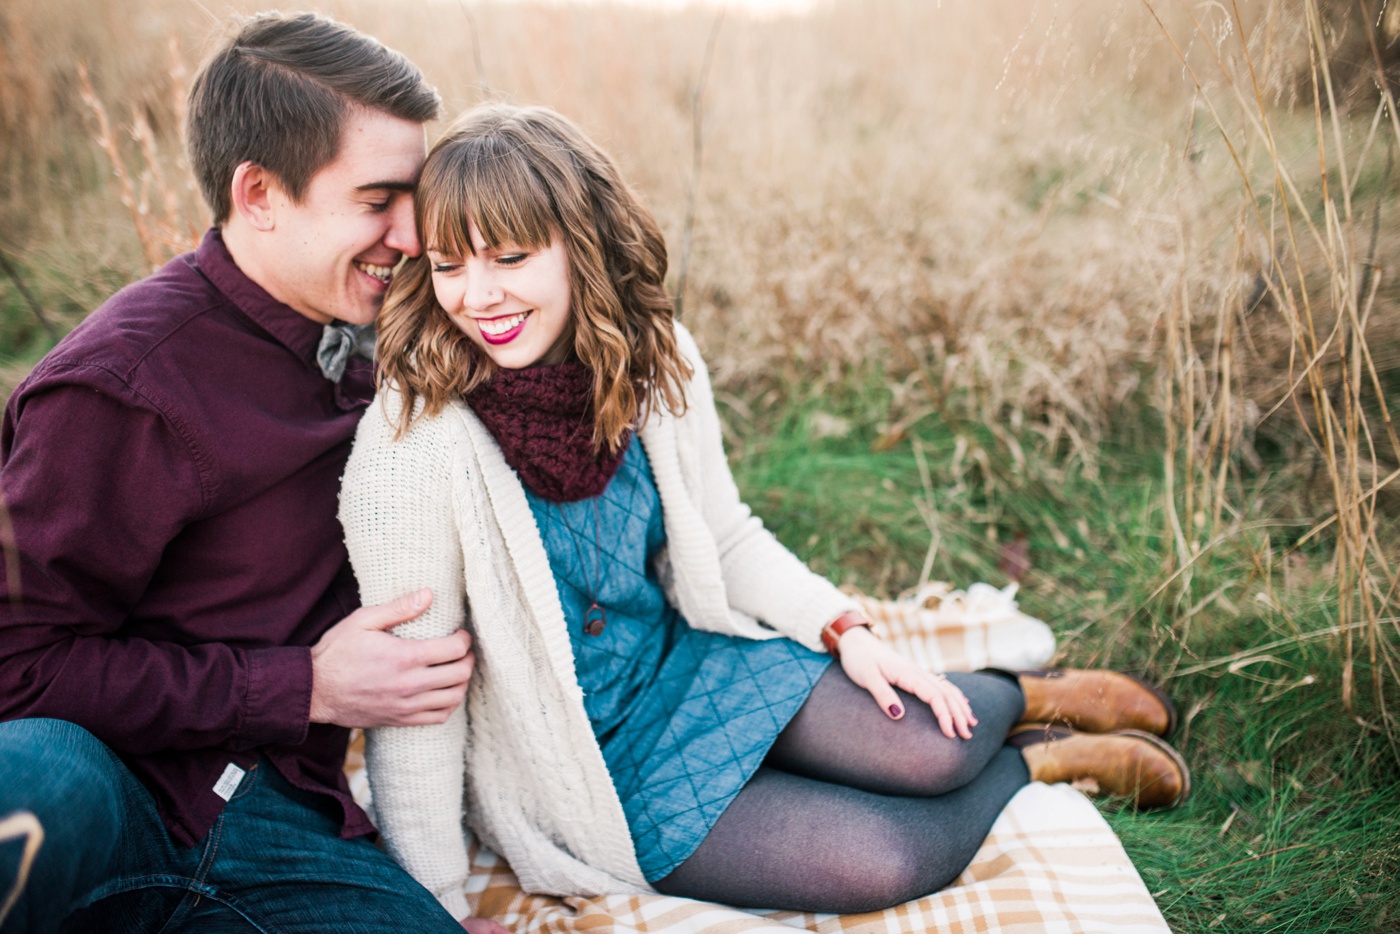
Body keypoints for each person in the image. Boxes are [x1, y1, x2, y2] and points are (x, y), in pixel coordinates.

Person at [339, 103, 1191, 919]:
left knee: (931, 750)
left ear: (578, 245)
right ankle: (1040, 763)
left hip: (690, 664)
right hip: (589, 775)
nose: (476, 295)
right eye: (449, 265)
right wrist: (436, 907)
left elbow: (727, 537)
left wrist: (844, 631)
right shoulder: (413, 443)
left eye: (509, 258)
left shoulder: (651, 358)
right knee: (886, 859)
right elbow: (416, 699)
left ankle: (1025, 695)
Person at [0, 13, 506, 934]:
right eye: (378, 199)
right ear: (260, 193)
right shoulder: (123, 389)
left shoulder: (379, 328)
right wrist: (302, 686)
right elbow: (15, 667)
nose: (414, 231)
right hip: (113, 787)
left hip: (278, 819)